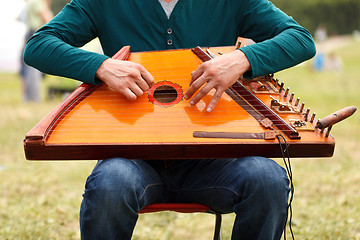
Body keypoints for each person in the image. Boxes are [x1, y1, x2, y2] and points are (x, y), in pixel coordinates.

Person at [23, 0, 316, 239]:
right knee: (110, 184)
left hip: (215, 157)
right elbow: (39, 46)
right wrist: (101, 66)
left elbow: (300, 39)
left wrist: (240, 60)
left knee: (268, 179)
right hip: (132, 157)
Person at [20, 0, 53, 102]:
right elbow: (48, 19)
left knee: (27, 68)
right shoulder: (37, 2)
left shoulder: (30, 3)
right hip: (36, 33)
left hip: (29, 33)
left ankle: (27, 97)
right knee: (34, 68)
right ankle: (34, 98)